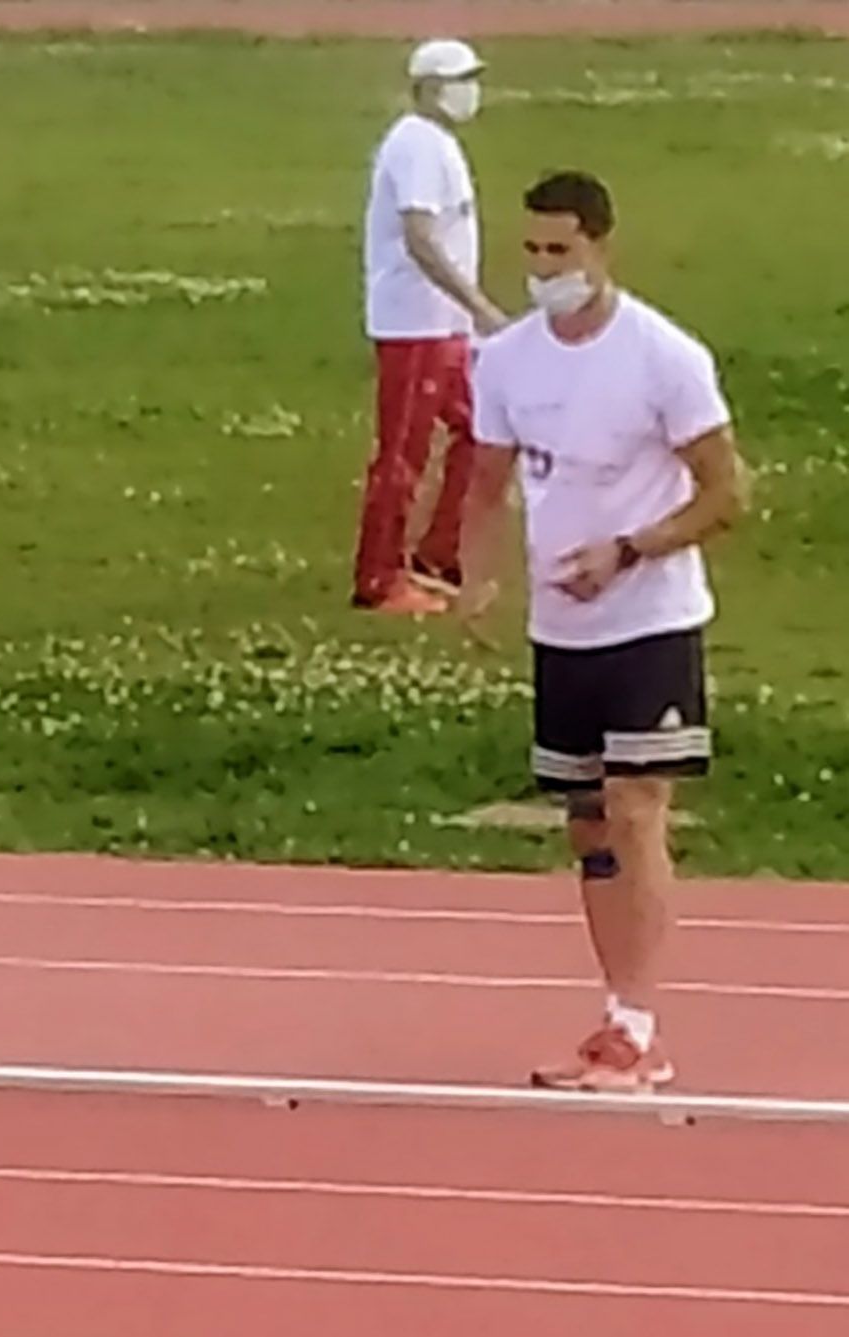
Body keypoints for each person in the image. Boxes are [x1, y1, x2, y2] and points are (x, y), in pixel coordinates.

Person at [458, 170, 751, 1092]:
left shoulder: (665, 356)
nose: (546, 269)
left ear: (599, 246)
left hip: (651, 618)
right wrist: (477, 574)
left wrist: (629, 549)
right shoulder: (505, 360)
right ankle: (613, 1013)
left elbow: (726, 492)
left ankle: (639, 1021)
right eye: (533, 251)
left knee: (636, 805)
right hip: (563, 628)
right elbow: (487, 478)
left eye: (562, 251)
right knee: (587, 823)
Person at [352, 38, 509, 616]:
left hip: (443, 324)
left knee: (478, 430)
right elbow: (421, 239)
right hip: (414, 324)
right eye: (462, 79)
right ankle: (378, 575)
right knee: (403, 451)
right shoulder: (417, 147)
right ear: (430, 87)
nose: (472, 89)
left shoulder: (437, 144)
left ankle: (439, 551)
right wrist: (480, 305)